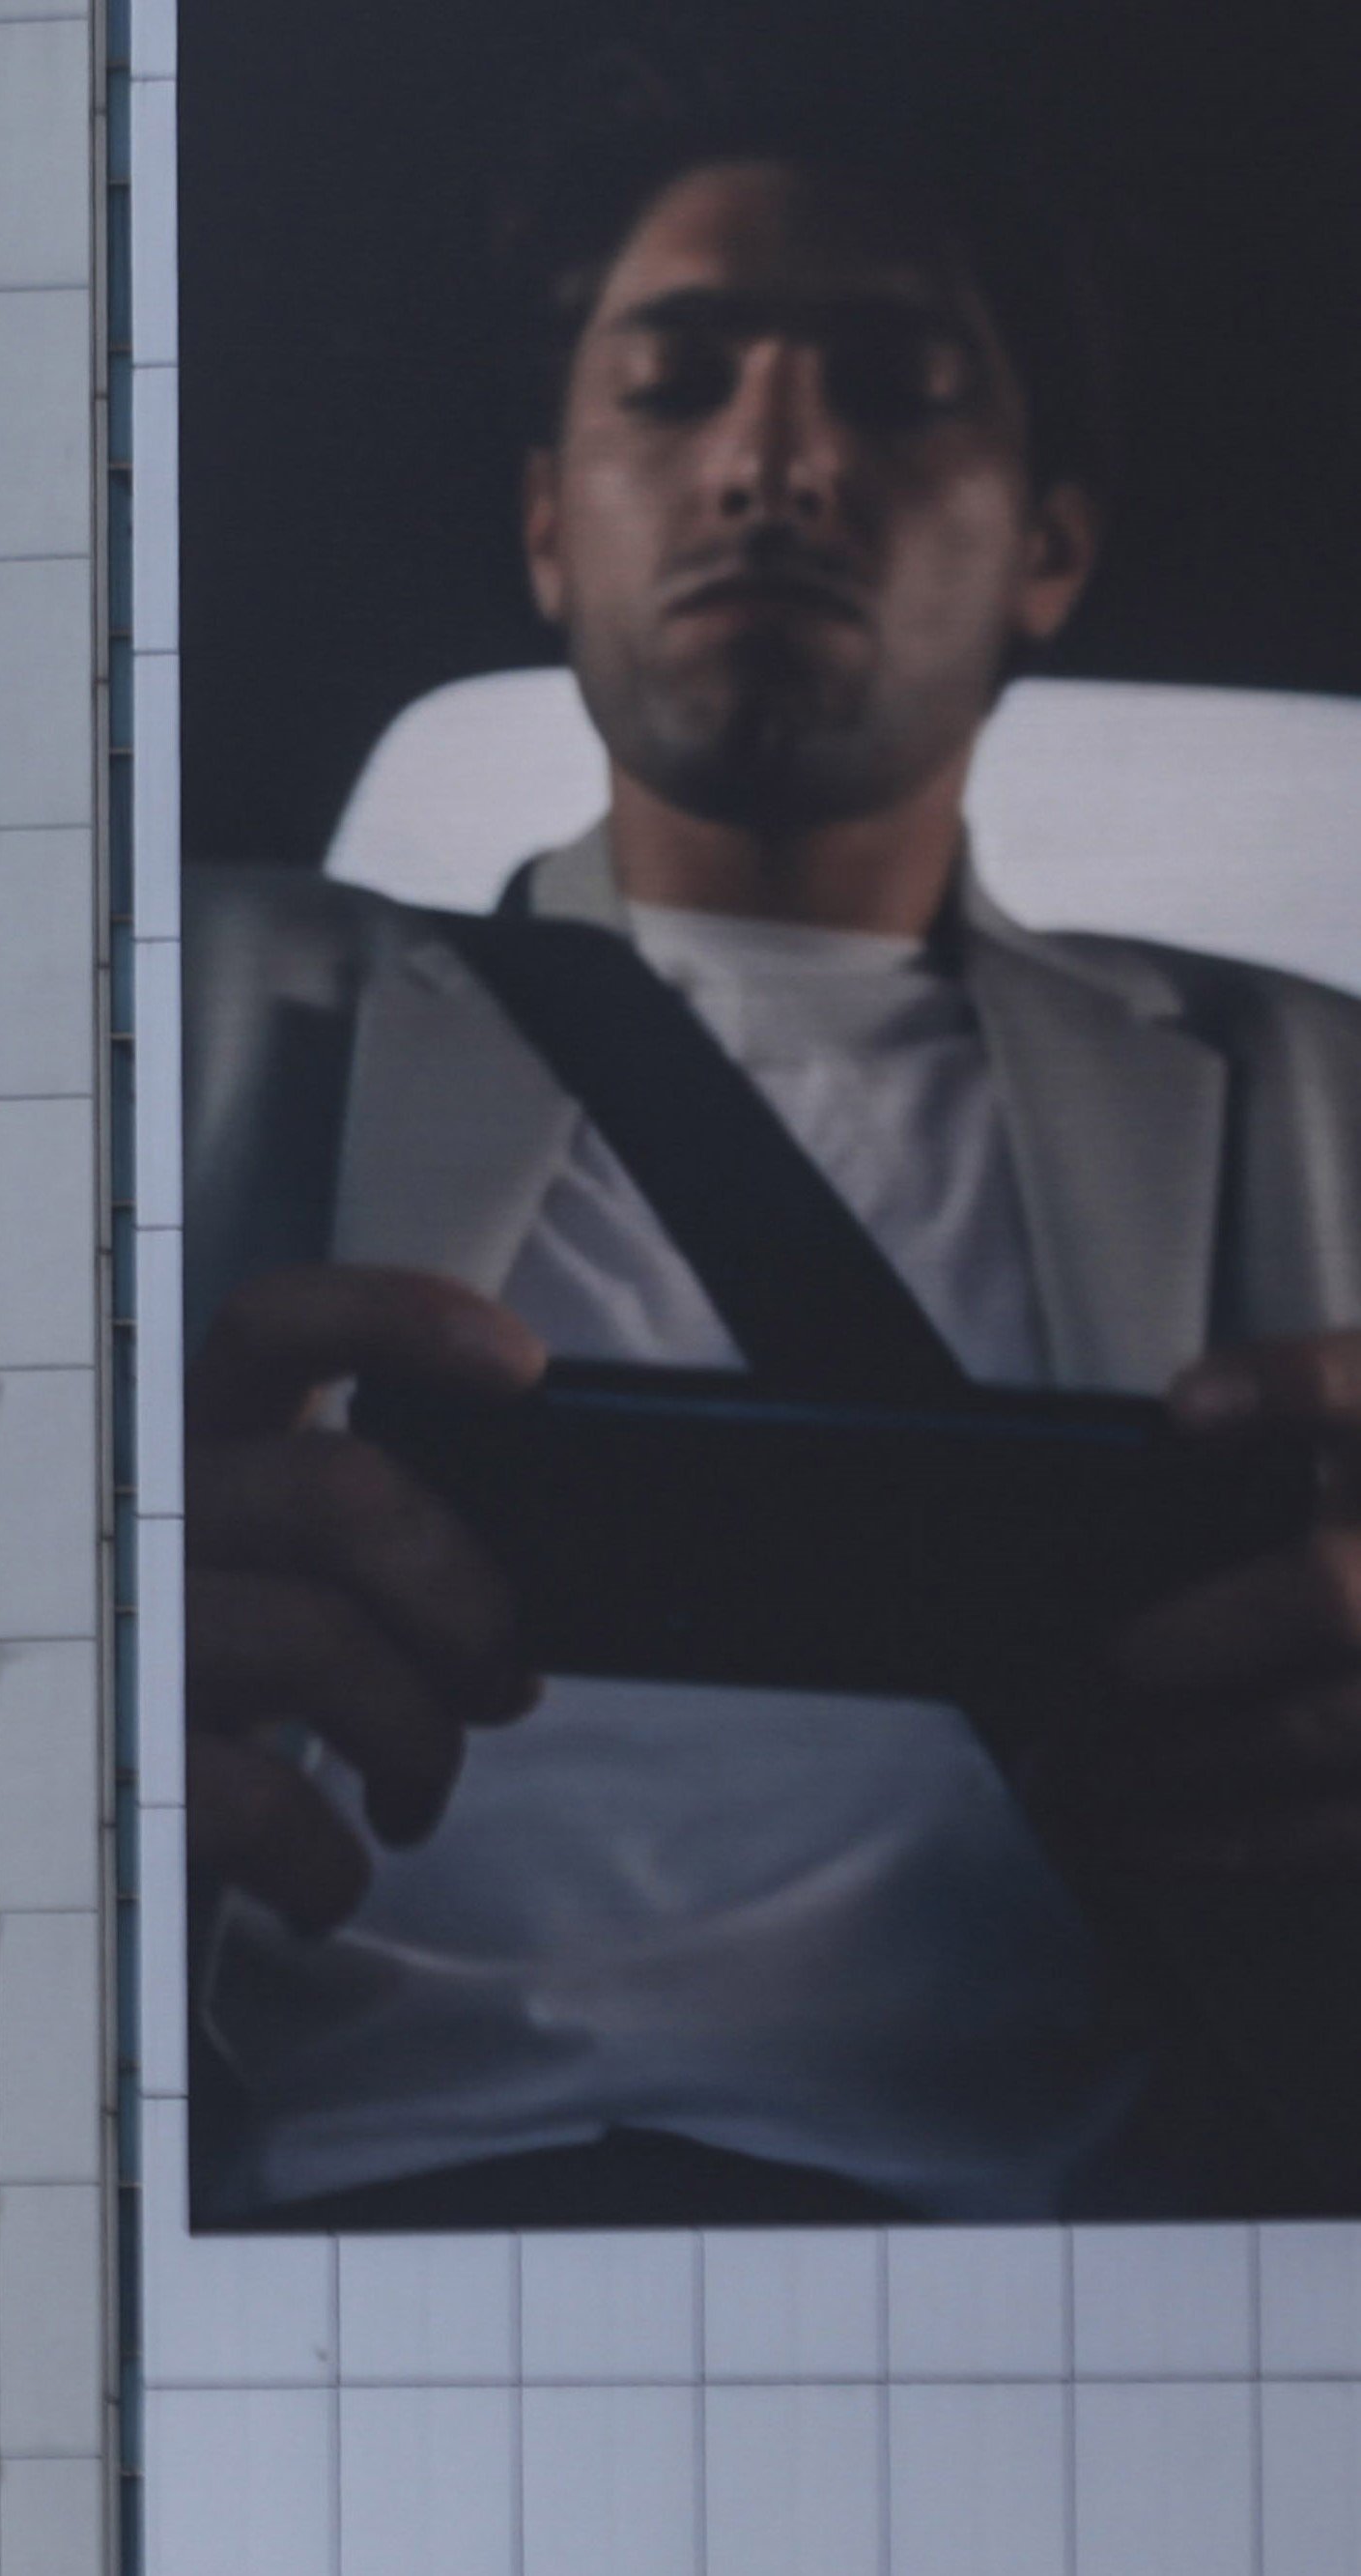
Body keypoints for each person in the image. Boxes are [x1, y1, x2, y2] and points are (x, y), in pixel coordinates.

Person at [184, 75, 1361, 2224]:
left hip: (1076, 2274)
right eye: (674, 382)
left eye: (897, 390)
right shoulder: (201, 1003)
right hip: (334, 2233)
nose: (772, 459)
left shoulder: (1311, 1095)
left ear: (1050, 542)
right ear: (549, 517)